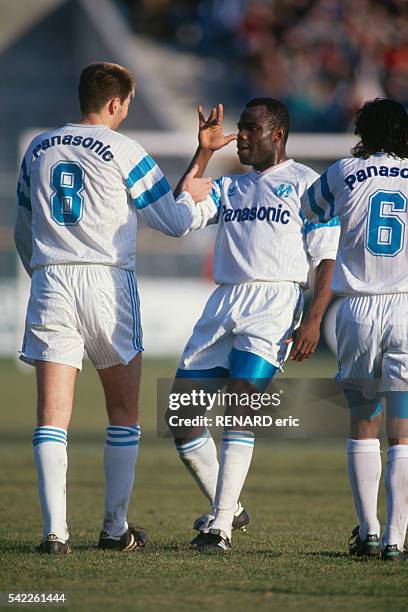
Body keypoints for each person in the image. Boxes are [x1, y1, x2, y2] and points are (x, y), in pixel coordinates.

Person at [14, 62, 213, 554]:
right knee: (123, 412)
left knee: (51, 417)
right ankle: (113, 528)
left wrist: (42, 272)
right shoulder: (125, 149)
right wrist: (199, 202)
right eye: (127, 104)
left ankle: (54, 533)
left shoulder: (39, 147)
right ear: (115, 104)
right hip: (106, 281)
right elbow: (171, 221)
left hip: (50, 278)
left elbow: (23, 227)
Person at [167, 99, 340, 552]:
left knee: (240, 405)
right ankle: (232, 506)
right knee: (181, 417)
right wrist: (203, 153)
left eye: (250, 128)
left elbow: (327, 260)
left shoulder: (310, 186)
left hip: (275, 301)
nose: (239, 136)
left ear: (277, 135)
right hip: (224, 301)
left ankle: (219, 526)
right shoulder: (228, 187)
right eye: (239, 128)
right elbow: (177, 215)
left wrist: (314, 319)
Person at [301, 98, 408, 561]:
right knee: (403, 434)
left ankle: (367, 531)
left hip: (358, 308)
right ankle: (395, 540)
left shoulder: (343, 171)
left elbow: (310, 209)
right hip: (406, 307)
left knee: (363, 424)